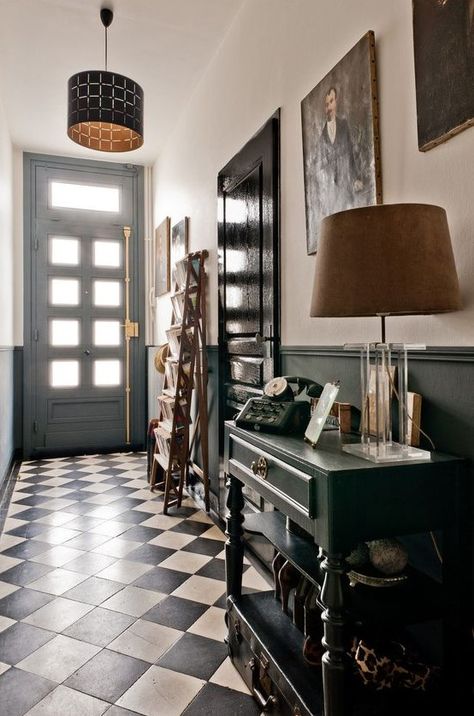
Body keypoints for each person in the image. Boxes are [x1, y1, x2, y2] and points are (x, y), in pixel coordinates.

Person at [315, 86, 363, 216]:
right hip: (332, 196)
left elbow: (351, 152)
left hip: (346, 188)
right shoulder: (322, 138)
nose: (329, 107)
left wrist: (356, 178)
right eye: (326, 104)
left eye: (331, 102)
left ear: (336, 101)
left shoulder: (344, 125)